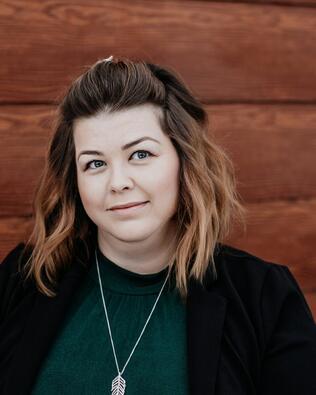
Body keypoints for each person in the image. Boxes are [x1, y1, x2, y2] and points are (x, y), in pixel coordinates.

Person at [0, 55, 315, 395]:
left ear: (185, 160)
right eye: (94, 163)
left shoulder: (263, 296)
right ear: (73, 180)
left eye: (140, 155)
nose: (118, 182)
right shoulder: (23, 281)